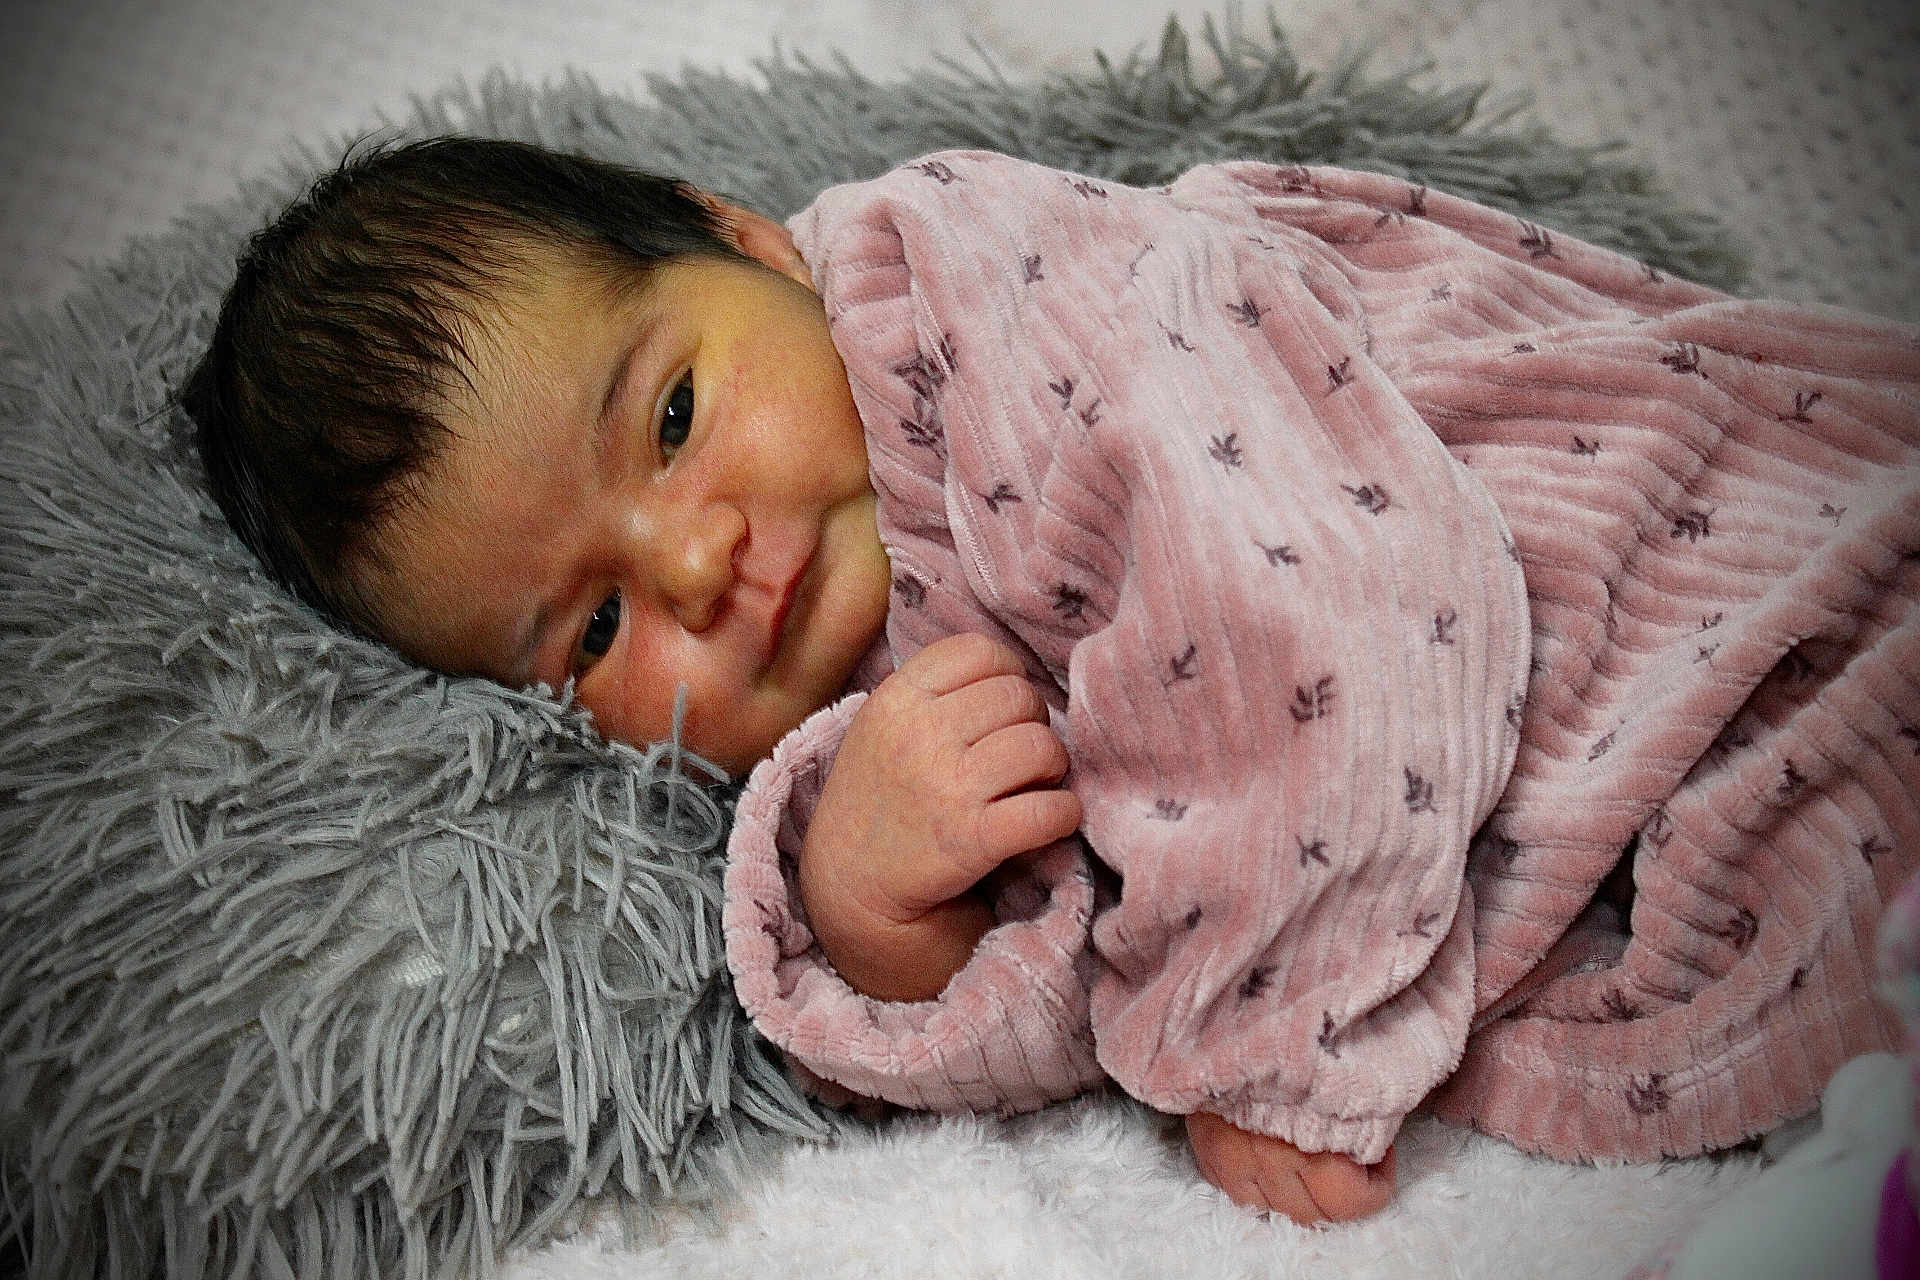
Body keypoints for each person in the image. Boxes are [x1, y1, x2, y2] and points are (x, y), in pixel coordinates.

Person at [186, 136, 1920, 1228]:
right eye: (588, 632)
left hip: (1723, 579)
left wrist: (1261, 1041)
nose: (700, 564)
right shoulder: (829, 717)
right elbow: (1084, 1005)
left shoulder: (983, 294)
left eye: (671, 417)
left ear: (744, 239)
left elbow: (1315, 591)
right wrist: (876, 915)